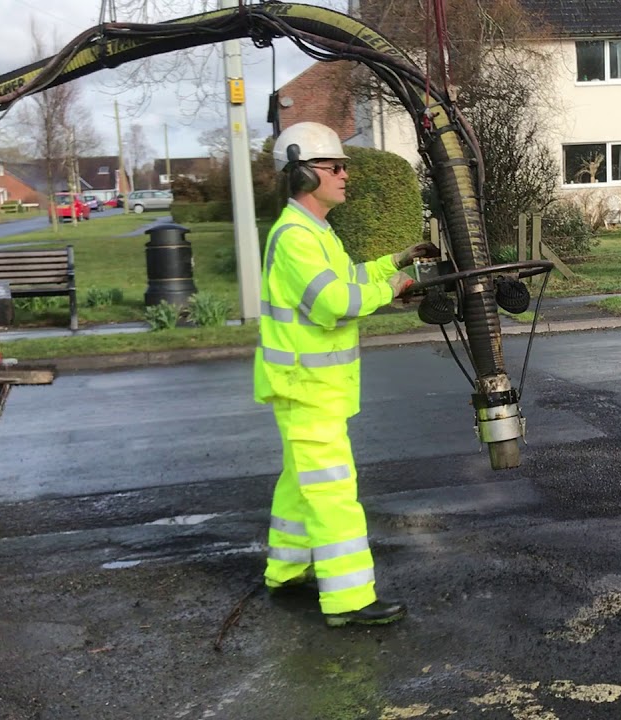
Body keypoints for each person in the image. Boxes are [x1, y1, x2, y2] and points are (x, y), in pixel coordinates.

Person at [256, 121, 436, 627]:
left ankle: (285, 571)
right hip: (306, 391)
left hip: (311, 389)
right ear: (303, 173)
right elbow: (332, 301)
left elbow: (348, 277)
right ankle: (349, 599)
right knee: (333, 490)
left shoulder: (317, 232)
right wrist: (390, 290)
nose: (344, 174)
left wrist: (396, 262)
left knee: (301, 482)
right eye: (334, 166)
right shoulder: (295, 237)